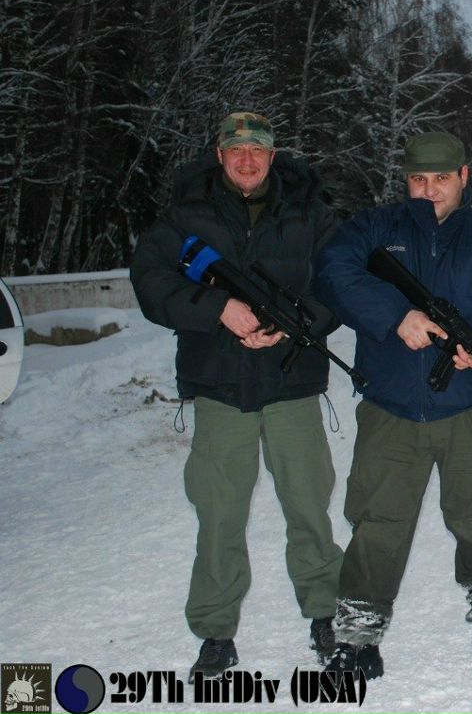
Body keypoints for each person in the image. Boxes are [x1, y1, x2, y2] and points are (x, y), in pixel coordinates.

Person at [313, 132, 472, 682]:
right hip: (392, 406)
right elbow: (331, 273)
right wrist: (397, 315)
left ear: (465, 176)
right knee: (377, 522)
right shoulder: (374, 228)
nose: (430, 190)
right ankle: (358, 637)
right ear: (405, 179)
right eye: (419, 179)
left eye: (442, 178)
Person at [130, 112, 344, 680]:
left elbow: (340, 279)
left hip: (292, 382)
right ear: (219, 154)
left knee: (308, 507)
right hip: (221, 387)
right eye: (236, 150)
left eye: (258, 150)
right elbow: (150, 280)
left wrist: (297, 321)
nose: (247, 160)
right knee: (219, 514)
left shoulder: (311, 214)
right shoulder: (185, 215)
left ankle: (326, 614)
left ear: (274, 157)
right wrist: (218, 309)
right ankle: (216, 631)